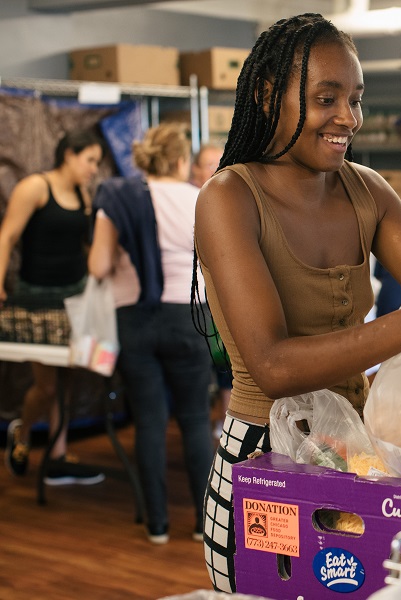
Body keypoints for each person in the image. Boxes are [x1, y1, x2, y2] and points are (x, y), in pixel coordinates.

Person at [191, 14, 401, 592]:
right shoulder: (229, 198)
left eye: (356, 99)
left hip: (358, 453)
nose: (348, 118)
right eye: (326, 98)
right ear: (269, 96)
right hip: (264, 460)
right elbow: (274, 366)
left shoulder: (368, 192)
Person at [88, 123, 214, 545]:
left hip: (134, 319)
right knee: (196, 420)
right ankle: (202, 523)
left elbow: (98, 266)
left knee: (149, 421)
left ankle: (157, 524)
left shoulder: (117, 198)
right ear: (181, 161)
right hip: (189, 317)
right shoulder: (200, 199)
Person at [1, 129, 106, 486]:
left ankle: (58, 455)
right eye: (90, 160)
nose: (94, 168)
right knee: (46, 385)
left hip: (75, 297)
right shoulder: (34, 187)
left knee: (68, 378)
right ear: (69, 155)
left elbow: (86, 246)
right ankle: (23, 432)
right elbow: (7, 236)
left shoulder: (83, 193)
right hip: (37, 300)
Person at [188, 142, 231, 440]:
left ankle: (225, 424)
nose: (214, 169)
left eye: (218, 162)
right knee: (206, 367)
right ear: (192, 169)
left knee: (227, 367)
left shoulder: (227, 199)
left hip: (222, 300)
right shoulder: (188, 201)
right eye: (207, 164)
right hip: (194, 304)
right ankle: (207, 426)